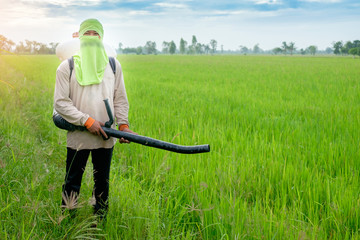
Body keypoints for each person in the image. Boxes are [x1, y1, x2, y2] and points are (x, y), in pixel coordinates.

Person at [53, 19, 135, 219]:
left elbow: (120, 98)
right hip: (79, 135)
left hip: (106, 136)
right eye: (86, 33)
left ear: (101, 37)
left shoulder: (114, 65)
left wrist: (123, 124)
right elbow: (61, 103)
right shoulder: (67, 67)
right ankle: (67, 220)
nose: (91, 37)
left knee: (102, 182)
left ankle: (100, 221)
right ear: (80, 37)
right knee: (72, 180)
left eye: (94, 34)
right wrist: (87, 121)